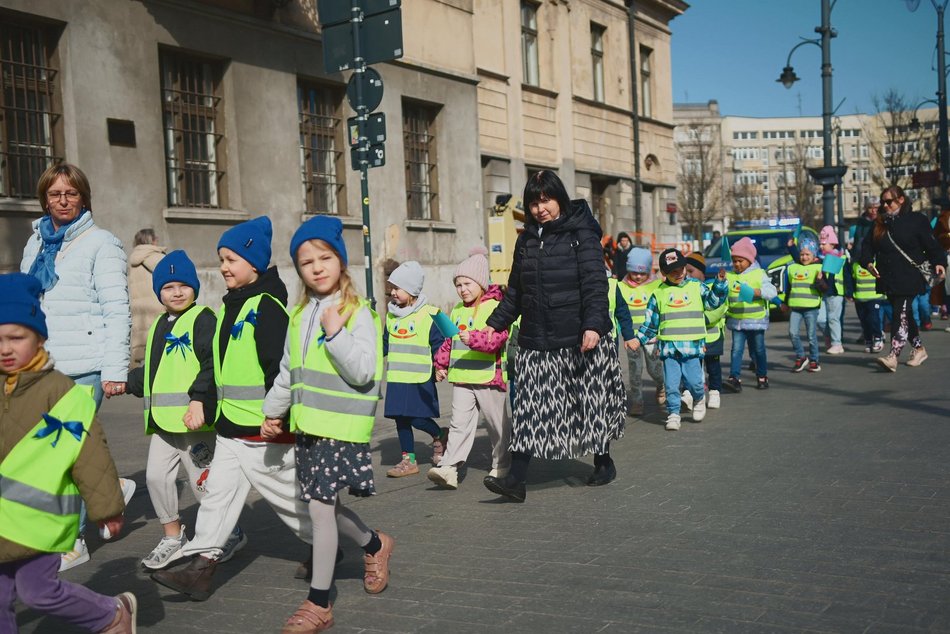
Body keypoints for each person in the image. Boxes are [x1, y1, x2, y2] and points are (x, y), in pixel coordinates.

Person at [151, 216, 310, 600]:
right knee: (217, 497)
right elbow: (216, 369)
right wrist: (202, 401)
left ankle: (345, 543)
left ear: (253, 263)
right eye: (221, 259)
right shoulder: (228, 307)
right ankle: (200, 570)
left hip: (263, 429)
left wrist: (279, 417)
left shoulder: (267, 308)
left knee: (289, 502)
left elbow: (280, 370)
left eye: (231, 259)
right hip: (231, 428)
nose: (223, 267)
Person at [261, 215, 394, 632]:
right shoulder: (298, 314)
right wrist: (272, 410)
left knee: (319, 509)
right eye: (306, 261)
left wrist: (336, 334)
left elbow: (365, 371)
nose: (317, 267)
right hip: (308, 428)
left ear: (341, 262)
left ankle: (319, 602)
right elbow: (288, 371)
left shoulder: (360, 312)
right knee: (326, 507)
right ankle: (375, 543)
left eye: (325, 257)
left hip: (342, 428)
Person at [0, 273, 136, 633]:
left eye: (16, 337)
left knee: (38, 593)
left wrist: (107, 508)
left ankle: (112, 614)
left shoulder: (62, 392)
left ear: (39, 337)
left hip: (40, 521)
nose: (5, 348)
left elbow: (89, 454)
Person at [482, 170, 626, 501]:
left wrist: (593, 324)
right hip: (536, 339)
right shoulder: (527, 239)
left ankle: (603, 461)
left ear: (559, 198)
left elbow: (594, 282)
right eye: (533, 203)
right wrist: (495, 323)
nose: (540, 209)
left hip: (579, 337)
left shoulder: (582, 234)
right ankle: (516, 481)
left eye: (545, 200)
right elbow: (517, 291)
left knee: (588, 405)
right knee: (530, 409)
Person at [20, 162, 134, 571]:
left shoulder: (102, 243)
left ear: (84, 197)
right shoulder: (35, 244)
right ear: (44, 198)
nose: (63, 200)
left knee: (63, 454)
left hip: (85, 365)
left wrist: (115, 370)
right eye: (55, 194)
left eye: (71, 193)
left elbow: (117, 309)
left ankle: (73, 541)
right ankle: (112, 487)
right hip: (43, 366)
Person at [122, 250, 219, 570]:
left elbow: (211, 366)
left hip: (195, 423)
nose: (176, 292)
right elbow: (153, 370)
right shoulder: (161, 323)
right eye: (168, 287)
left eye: (183, 285)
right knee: (155, 477)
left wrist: (199, 401)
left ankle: (225, 532)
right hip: (164, 423)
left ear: (194, 287)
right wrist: (125, 383)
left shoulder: (203, 318)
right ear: (158, 292)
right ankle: (172, 536)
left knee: (202, 482)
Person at [428, 247, 512, 490]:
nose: (462, 289)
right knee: (459, 424)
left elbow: (497, 339)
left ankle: (502, 464)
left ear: (481, 283)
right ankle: (449, 468)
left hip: (490, 377)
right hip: (462, 377)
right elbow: (448, 341)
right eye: (458, 285)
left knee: (497, 425)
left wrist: (473, 339)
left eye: (467, 283)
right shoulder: (456, 310)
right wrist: (441, 364)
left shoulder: (496, 306)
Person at [630, 249, 727, 430]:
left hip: (692, 347)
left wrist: (720, 285)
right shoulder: (659, 293)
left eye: (681, 269)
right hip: (669, 348)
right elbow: (651, 323)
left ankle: (699, 399)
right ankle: (673, 413)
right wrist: (638, 340)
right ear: (664, 273)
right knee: (671, 384)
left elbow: (713, 302)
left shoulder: (697, 287)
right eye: (672, 271)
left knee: (695, 383)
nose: (678, 273)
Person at [859, 186, 946, 371]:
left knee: (900, 314)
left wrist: (939, 262)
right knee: (905, 316)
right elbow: (866, 248)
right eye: (883, 201)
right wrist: (867, 263)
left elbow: (932, 244)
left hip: (909, 277)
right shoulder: (879, 223)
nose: (885, 205)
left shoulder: (917, 220)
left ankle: (893, 356)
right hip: (887, 278)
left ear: (900, 200)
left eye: (888, 201)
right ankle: (919, 349)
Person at [382, 261, 448, 478]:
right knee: (400, 419)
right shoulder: (391, 317)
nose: (392, 293)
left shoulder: (429, 314)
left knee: (417, 418)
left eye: (397, 288)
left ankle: (439, 434)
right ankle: (408, 460)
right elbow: (383, 344)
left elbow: (439, 343)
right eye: (391, 288)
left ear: (411, 290)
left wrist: (440, 366)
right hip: (398, 378)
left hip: (420, 378)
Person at [723, 237, 777, 391]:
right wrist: (720, 282)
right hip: (737, 321)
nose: (737, 264)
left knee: (759, 349)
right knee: (736, 350)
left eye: (741, 260)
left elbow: (771, 291)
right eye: (734, 261)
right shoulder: (730, 276)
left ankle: (762, 376)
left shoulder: (759, 274)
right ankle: (734, 378)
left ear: (750, 260)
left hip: (756, 320)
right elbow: (722, 293)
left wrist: (758, 292)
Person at [617, 247, 664, 416]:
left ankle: (661, 385)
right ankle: (637, 401)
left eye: (642, 273)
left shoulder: (657, 286)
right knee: (635, 371)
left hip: (651, 336)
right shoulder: (620, 287)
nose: (637, 276)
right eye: (633, 272)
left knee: (654, 368)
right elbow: (618, 311)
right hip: (632, 338)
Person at [681, 253, 726, 410]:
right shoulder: (685, 289)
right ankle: (688, 393)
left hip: (711, 335)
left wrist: (702, 319)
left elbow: (719, 308)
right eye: (685, 271)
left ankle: (714, 392)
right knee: (690, 366)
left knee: (713, 366)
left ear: (701, 272)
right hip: (692, 337)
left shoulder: (712, 288)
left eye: (691, 271)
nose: (687, 274)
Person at [780, 236, 823, 372]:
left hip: (811, 308)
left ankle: (814, 360)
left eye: (807, 254)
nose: (804, 257)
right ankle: (801, 357)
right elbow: (789, 288)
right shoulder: (793, 268)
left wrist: (819, 281)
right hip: (796, 307)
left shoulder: (819, 268)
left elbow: (825, 289)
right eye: (802, 254)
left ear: (814, 255)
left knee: (811, 336)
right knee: (792, 333)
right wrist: (785, 303)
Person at [128, 228, 167, 369]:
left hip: (140, 310)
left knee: (144, 345)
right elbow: (170, 273)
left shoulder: (134, 259)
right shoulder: (156, 257)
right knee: (159, 345)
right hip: (156, 307)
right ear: (151, 240)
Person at [816, 226, 846, 354]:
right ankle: (830, 338)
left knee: (833, 318)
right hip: (825, 292)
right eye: (820, 244)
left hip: (835, 293)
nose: (821, 246)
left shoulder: (840, 257)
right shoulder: (820, 259)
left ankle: (837, 344)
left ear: (832, 244)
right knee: (821, 319)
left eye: (824, 244)